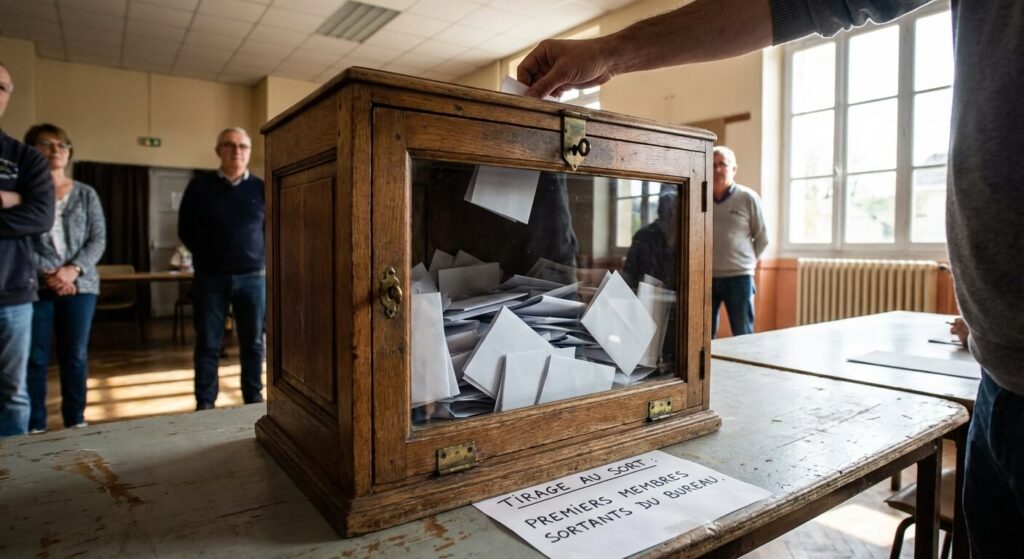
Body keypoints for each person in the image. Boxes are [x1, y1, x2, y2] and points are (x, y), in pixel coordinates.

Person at [517, 1, 1022, 555]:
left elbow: (758, 238)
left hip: (991, 366)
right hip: (999, 371)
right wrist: (608, 53)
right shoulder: (660, 230)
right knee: (708, 339)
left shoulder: (743, 201)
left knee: (749, 331)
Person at [24, 123, 106, 433]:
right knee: (36, 357)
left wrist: (72, 270)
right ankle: (34, 425)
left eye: (62, 145)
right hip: (35, 285)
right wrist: (50, 272)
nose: (56, 150)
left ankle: (75, 420)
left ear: (69, 152)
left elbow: (97, 239)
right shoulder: (24, 194)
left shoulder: (86, 194)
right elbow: (20, 240)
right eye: (47, 144)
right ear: (32, 150)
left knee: (74, 356)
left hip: (81, 285)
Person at [178, 127, 265, 410]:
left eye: (243, 146)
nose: (236, 151)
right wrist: (210, 257)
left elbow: (272, 230)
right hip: (210, 278)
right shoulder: (199, 187)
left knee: (253, 343)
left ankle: (253, 398)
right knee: (208, 344)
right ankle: (205, 402)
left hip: (253, 278)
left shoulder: (261, 188)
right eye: (229, 145)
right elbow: (185, 229)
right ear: (218, 151)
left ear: (249, 152)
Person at [0, 62, 55, 437]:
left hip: (12, 295)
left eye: (1, 87)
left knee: (11, 394)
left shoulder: (25, 158)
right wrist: (8, 199)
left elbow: (40, 216)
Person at [709, 146, 767, 338]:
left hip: (739, 277)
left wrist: (746, 262)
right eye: (713, 165)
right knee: (703, 336)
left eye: (722, 165)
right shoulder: (700, 198)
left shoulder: (748, 198)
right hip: (706, 277)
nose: (717, 169)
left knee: (743, 334)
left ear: (733, 169)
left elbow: (762, 238)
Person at [622, 189, 678, 290]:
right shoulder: (643, 236)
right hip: (644, 298)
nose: (670, 216)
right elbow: (628, 276)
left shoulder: (685, 237)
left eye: (673, 211)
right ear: (660, 212)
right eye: (666, 211)